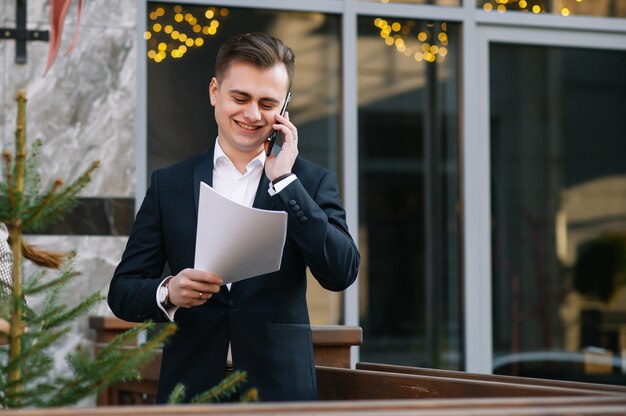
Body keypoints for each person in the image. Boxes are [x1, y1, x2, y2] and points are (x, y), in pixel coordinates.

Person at [107, 32, 360, 403]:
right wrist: (170, 291)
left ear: (285, 108)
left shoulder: (310, 181)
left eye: (267, 102)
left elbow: (341, 272)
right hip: (189, 389)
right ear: (214, 92)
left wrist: (286, 183)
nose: (252, 114)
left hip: (279, 392)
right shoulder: (170, 184)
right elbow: (123, 291)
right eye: (240, 98)